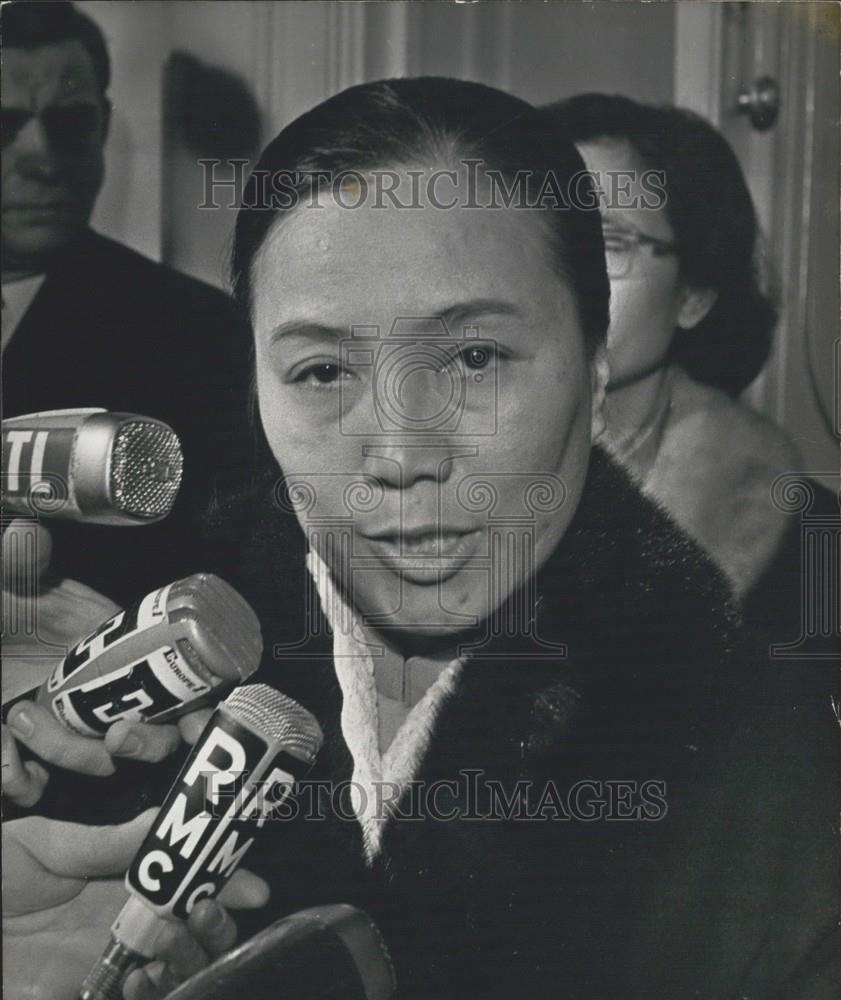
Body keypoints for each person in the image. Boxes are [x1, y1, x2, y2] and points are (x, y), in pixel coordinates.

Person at [4, 78, 837, 999]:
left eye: (475, 358)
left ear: (594, 369)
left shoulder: (772, 777)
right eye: (320, 370)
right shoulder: (126, 701)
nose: (400, 453)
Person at [542, 93, 839, 641]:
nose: (564, 274)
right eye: (545, 232)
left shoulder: (807, 539)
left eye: (608, 240)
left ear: (694, 296)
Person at [1, 1, 252, 606]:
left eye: (70, 123)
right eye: (2, 124)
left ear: (104, 127)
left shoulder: (199, 333)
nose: (42, 157)